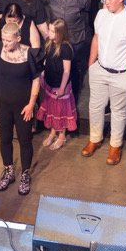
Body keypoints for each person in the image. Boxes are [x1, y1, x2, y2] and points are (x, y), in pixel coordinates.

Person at [82, 0, 126, 165]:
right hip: (100, 70)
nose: (106, 2)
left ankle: (115, 145)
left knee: (118, 111)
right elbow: (96, 38)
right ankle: (95, 139)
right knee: (95, 107)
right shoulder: (101, 14)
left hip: (122, 75)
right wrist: (91, 65)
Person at [0, 18, 42, 194]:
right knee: (5, 138)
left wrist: (31, 104)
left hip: (23, 105)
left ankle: (25, 173)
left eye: (9, 40)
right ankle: (8, 170)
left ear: (18, 38)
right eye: (4, 39)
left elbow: (36, 79)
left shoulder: (29, 53)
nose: (6, 43)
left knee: (25, 140)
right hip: (2, 103)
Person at [36, 18, 79, 152]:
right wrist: (43, 75)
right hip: (50, 82)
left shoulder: (66, 48)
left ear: (60, 33)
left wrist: (62, 88)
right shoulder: (49, 43)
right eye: (49, 30)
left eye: (53, 31)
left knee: (61, 111)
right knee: (52, 109)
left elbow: (66, 71)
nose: (49, 33)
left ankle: (62, 135)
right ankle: (53, 132)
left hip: (60, 85)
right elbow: (46, 61)